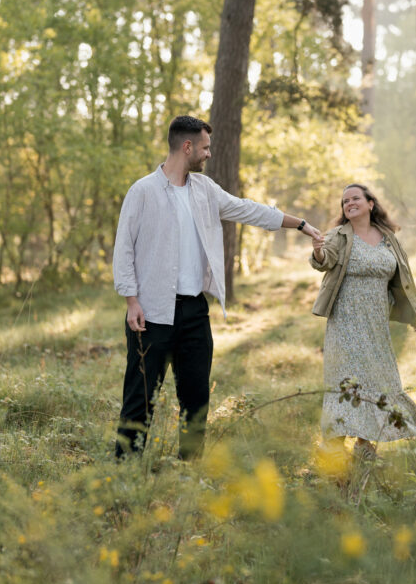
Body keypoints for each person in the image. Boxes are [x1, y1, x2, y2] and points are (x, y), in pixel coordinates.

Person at [112, 115, 324, 460]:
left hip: (194, 312)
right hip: (151, 313)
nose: (209, 154)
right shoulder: (143, 192)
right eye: (205, 147)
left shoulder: (205, 191)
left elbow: (247, 210)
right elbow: (124, 250)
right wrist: (131, 301)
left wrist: (299, 224)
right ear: (187, 146)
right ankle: (122, 476)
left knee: (196, 401)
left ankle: (189, 470)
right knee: (139, 399)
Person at [310, 183, 416, 459]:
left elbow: (402, 279)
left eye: (355, 198)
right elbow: (324, 261)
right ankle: (335, 450)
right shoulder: (339, 235)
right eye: (345, 201)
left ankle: (365, 446)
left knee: (376, 379)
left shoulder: (388, 237)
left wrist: (414, 315)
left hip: (376, 324)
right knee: (345, 380)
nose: (349, 203)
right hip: (346, 322)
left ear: (370, 203)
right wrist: (318, 251)